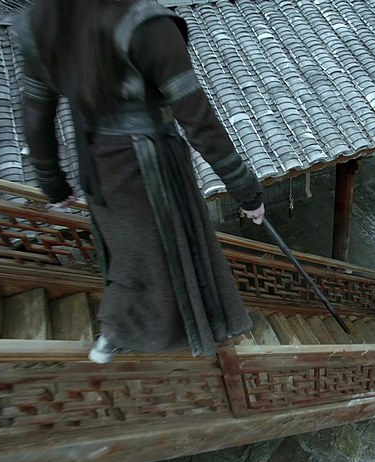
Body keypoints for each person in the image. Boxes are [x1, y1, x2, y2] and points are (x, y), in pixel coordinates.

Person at [13, 0, 265, 363]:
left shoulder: (39, 21)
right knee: (160, 249)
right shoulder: (146, 23)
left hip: (96, 158)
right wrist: (245, 189)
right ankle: (122, 330)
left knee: (130, 252)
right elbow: (197, 117)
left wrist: (52, 181)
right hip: (148, 164)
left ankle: (125, 332)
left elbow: (36, 114)